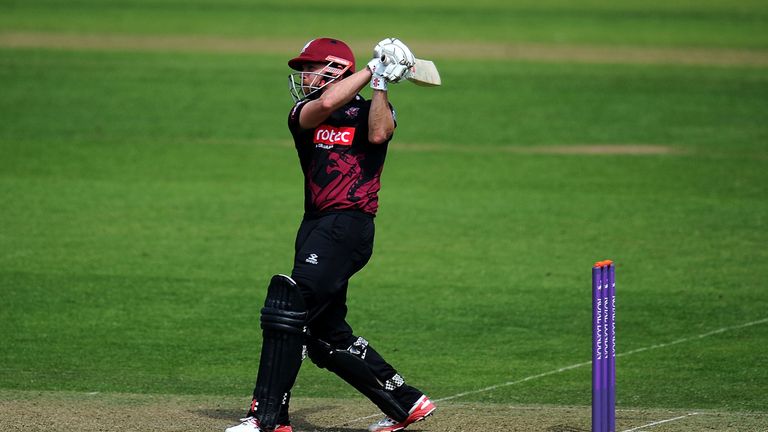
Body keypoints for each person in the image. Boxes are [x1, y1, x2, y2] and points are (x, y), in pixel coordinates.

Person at [225, 37, 436, 432]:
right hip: (314, 225)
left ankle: (267, 418)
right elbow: (323, 105)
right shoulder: (304, 112)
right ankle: (406, 402)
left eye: (311, 67)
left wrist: (379, 82)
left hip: (348, 224)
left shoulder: (372, 108)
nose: (304, 76)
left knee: (286, 312)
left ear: (338, 68)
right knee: (325, 336)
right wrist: (373, 68)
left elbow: (378, 135)